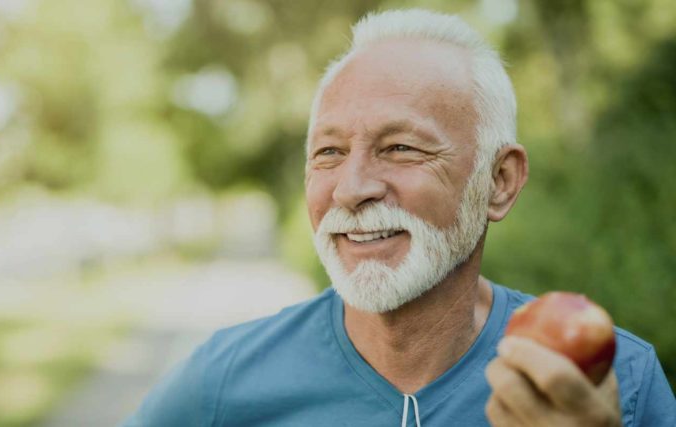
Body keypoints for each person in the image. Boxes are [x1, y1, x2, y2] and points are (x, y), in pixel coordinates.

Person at [124, 9, 676, 427]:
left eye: (402, 148)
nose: (352, 188)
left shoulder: (614, 383)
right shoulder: (221, 383)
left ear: (499, 182)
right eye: (329, 153)